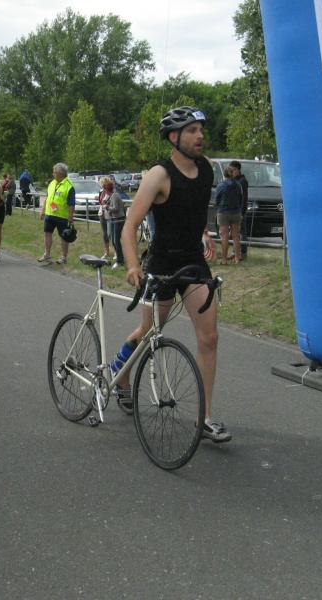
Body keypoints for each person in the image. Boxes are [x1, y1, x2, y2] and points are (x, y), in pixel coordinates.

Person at [117, 105, 231, 443]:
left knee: (209, 337)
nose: (200, 136)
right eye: (192, 130)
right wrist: (133, 265)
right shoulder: (159, 175)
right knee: (149, 331)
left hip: (193, 262)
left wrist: (205, 233)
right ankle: (120, 374)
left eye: (201, 130)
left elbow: (194, 209)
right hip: (162, 264)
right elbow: (129, 227)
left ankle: (204, 418)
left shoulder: (207, 168)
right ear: (173, 137)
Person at [38, 162, 75, 265]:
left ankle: (63, 257)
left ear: (60, 173)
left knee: (64, 236)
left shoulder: (69, 186)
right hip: (49, 214)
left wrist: (70, 217)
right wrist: (43, 211)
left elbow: (71, 204)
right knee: (47, 233)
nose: (53, 174)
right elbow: (47, 198)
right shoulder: (52, 183)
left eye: (54, 172)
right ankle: (47, 254)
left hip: (61, 216)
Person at [215, 164, 244, 264]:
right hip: (236, 212)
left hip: (223, 212)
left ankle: (224, 259)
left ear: (224, 174)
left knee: (224, 237)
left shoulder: (221, 185)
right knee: (236, 236)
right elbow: (241, 198)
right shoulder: (238, 185)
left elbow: (217, 199)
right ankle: (237, 258)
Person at [99, 176, 125, 268]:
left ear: (106, 188)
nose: (103, 190)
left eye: (104, 188)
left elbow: (116, 208)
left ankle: (120, 260)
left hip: (118, 220)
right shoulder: (110, 195)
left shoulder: (114, 195)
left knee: (116, 240)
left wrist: (107, 207)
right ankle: (119, 258)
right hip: (113, 220)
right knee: (114, 240)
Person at [230, 160, 249, 260]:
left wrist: (242, 212)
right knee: (234, 232)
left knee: (242, 232)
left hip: (240, 211)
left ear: (238, 170)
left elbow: (244, 198)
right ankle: (235, 251)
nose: (231, 172)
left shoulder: (242, 181)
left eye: (233, 170)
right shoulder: (234, 180)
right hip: (234, 210)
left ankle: (243, 252)